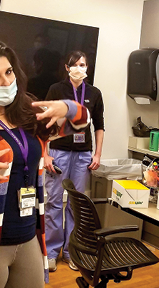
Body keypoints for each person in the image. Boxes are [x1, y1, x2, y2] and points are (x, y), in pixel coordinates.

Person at [0, 38, 88, 288]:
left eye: (9, 72)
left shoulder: (27, 114)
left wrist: (66, 106)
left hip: (28, 234)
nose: (6, 82)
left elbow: (82, 123)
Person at [42, 51, 105, 272]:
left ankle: (71, 251)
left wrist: (97, 154)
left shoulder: (95, 93)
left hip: (83, 154)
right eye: (76, 64)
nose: (80, 68)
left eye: (84, 64)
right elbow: (45, 126)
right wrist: (45, 154)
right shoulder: (56, 90)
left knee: (77, 204)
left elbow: (99, 125)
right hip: (58, 152)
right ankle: (50, 252)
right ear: (67, 68)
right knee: (54, 202)